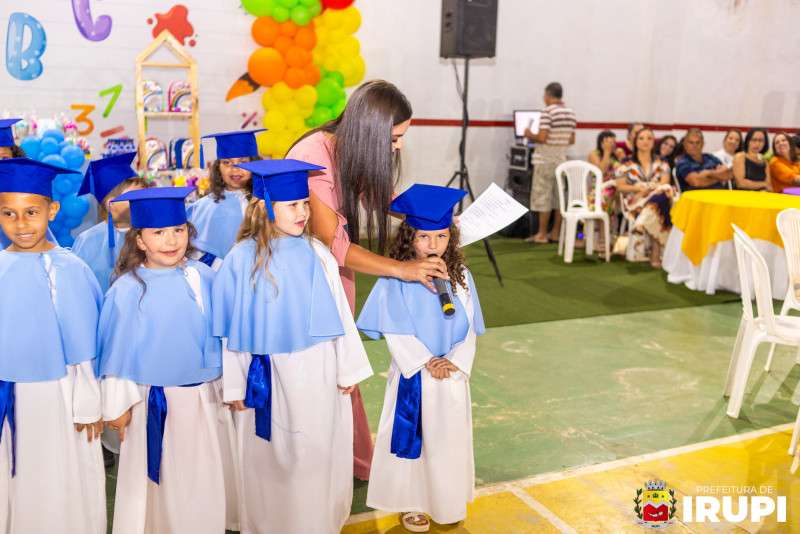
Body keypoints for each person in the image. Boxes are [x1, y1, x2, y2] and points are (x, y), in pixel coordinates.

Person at [287, 79, 443, 480]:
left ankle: (357, 459)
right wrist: (402, 268)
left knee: (345, 367)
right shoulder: (313, 156)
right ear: (370, 131)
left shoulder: (350, 150)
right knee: (328, 366)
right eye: (394, 138)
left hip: (335, 272)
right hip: (305, 277)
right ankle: (339, 459)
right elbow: (332, 243)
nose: (399, 147)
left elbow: (378, 196)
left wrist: (433, 215)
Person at [212, 159, 373, 534]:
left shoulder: (319, 254)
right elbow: (231, 332)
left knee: (314, 451)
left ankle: (316, 523)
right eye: (292, 205)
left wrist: (347, 368)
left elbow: (340, 317)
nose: (302, 213)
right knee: (268, 457)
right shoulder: (240, 259)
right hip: (264, 375)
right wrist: (234, 386)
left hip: (317, 369)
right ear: (266, 207)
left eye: (305, 204)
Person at [97, 187, 230, 534]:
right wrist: (117, 405)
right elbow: (117, 352)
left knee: (201, 476)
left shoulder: (204, 277)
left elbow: (223, 336)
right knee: (158, 485)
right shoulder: (127, 288)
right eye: (158, 233)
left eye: (178, 230)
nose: (171, 240)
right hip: (151, 402)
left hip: (204, 396)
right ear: (140, 240)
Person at [358, 184, 485, 533]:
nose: (433, 245)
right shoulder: (397, 276)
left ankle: (445, 500)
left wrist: (455, 361)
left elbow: (470, 325)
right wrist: (424, 361)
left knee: (447, 441)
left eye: (441, 236)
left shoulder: (460, 276)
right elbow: (394, 327)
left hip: (450, 376)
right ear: (409, 238)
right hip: (414, 375)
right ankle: (412, 503)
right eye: (424, 237)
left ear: (450, 237)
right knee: (415, 442)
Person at [0, 158, 106, 534]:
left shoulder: (69, 269)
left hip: (60, 393)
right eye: (8, 213)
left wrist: (89, 402)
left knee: (60, 475)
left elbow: (84, 347)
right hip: (9, 395)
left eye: (31, 212)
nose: (21, 224)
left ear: (52, 209)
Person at [187, 129, 264, 270]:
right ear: (218, 167)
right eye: (227, 162)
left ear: (254, 164)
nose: (235, 168)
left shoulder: (265, 203)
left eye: (243, 162)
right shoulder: (202, 207)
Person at [73, 151, 148, 293]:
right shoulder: (87, 241)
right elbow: (77, 286)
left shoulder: (150, 233)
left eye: (144, 195)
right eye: (135, 196)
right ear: (111, 205)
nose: (143, 201)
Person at [523, 82, 576, 244]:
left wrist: (529, 133)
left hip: (544, 160)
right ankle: (555, 233)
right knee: (558, 198)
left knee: (543, 198)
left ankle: (541, 234)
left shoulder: (547, 112)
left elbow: (542, 137)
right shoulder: (570, 113)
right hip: (561, 161)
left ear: (547, 95)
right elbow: (571, 140)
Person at [615, 128, 673, 268]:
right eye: (641, 138)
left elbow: (665, 181)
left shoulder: (662, 161)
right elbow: (621, 186)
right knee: (660, 201)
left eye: (649, 138)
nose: (645, 141)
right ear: (635, 142)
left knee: (664, 191)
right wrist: (638, 189)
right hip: (635, 200)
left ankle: (641, 223)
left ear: (653, 142)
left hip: (656, 197)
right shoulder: (625, 162)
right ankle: (655, 252)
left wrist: (646, 189)